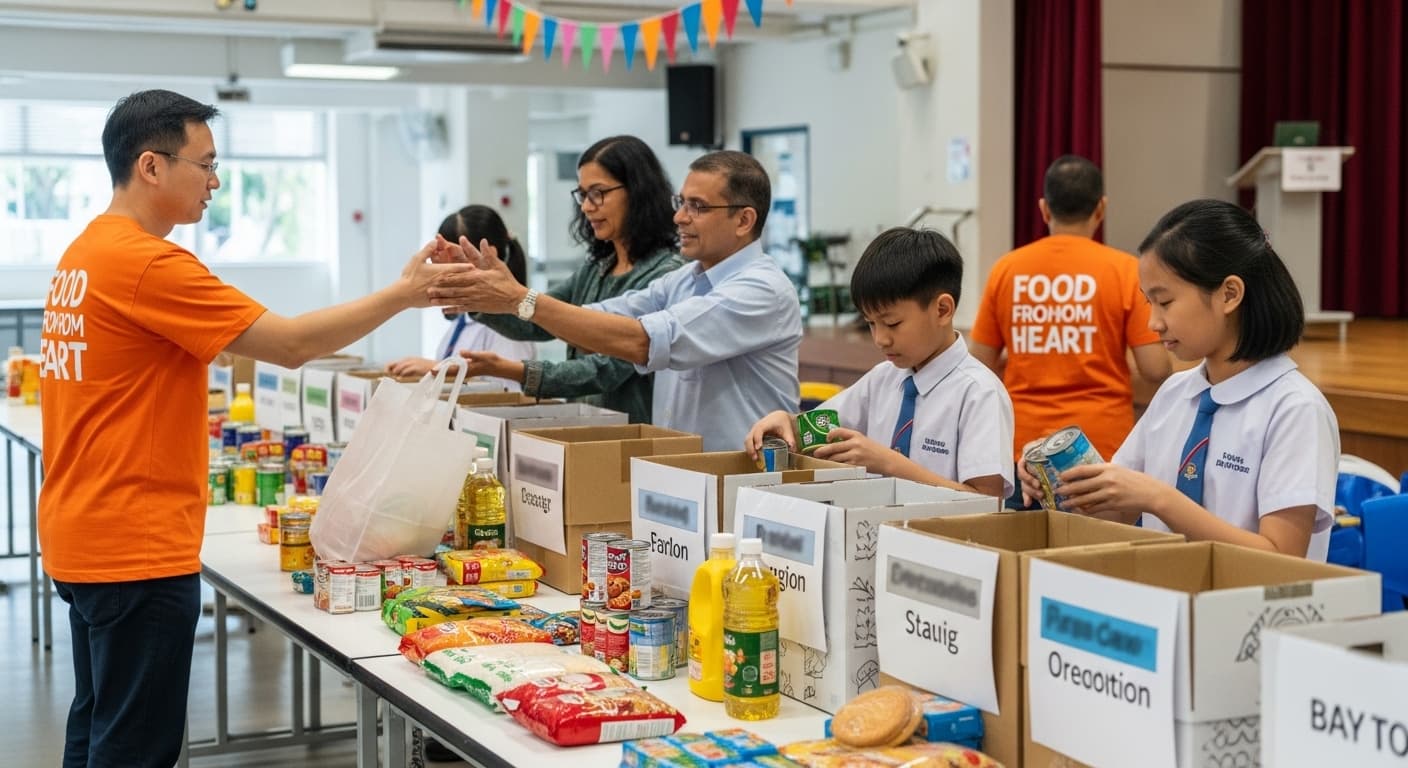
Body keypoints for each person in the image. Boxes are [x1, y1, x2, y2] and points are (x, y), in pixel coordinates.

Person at [36, 89, 468, 768]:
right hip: (135, 544)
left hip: (84, 532)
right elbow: (291, 344)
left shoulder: (86, 251)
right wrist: (404, 294)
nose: (215, 181)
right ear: (151, 166)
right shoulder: (149, 262)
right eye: (205, 165)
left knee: (97, 727)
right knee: (133, 747)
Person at [1018, 199, 1337, 560]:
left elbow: (1282, 557)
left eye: (1165, 302)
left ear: (1229, 294)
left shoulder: (1294, 409)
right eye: (1148, 303)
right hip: (1164, 604)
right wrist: (1056, 481)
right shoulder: (1174, 393)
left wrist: (1159, 498)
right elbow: (1113, 514)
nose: (1153, 322)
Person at [431, 150, 801, 451]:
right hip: (682, 471)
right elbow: (589, 318)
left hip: (741, 479)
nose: (680, 217)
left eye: (697, 207)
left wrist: (519, 301)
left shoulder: (759, 289)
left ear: (743, 220)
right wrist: (499, 297)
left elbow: (641, 340)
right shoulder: (683, 280)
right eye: (681, 202)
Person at [745, 227, 1014, 499]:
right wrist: (788, 423)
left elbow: (989, 503)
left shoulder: (979, 393)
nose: (880, 339)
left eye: (892, 323)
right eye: (871, 324)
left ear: (942, 310)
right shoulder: (883, 379)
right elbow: (821, 428)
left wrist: (890, 464)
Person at [969, 155, 1171, 484]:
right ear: (1101, 208)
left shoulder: (1006, 270)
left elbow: (977, 365)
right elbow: (1155, 369)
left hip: (1023, 450)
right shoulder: (1124, 271)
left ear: (1044, 209)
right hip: (1102, 447)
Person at [454, 136, 683, 423]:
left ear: (637, 192)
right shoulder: (597, 267)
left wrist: (511, 368)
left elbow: (603, 370)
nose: (587, 207)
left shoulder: (666, 273)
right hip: (589, 426)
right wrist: (477, 295)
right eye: (583, 194)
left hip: (636, 436)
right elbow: (537, 321)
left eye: (598, 193)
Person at [385, 204, 537, 390]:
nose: (439, 268)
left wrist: (436, 370)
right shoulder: (466, 315)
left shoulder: (508, 326)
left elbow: (508, 396)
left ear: (487, 255)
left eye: (452, 257)